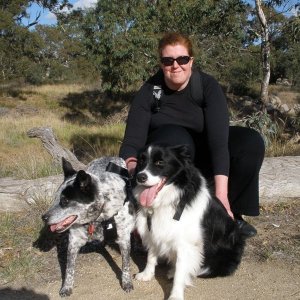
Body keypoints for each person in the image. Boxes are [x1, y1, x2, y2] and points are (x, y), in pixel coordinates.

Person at [119, 32, 265, 238]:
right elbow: (131, 143)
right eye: (168, 60)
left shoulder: (206, 86)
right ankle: (163, 220)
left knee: (250, 142)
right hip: (165, 168)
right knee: (176, 138)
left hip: (201, 163)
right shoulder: (150, 91)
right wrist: (136, 175)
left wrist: (222, 196)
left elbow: (219, 142)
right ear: (161, 64)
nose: (175, 65)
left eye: (182, 59)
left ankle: (227, 212)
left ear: (191, 61)